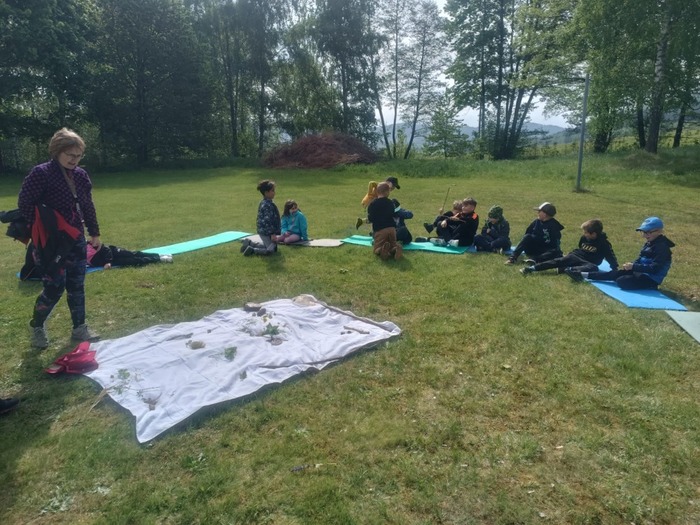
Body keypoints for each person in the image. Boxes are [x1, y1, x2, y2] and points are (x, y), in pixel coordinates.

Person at [18, 128, 102, 349]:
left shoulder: (81, 176)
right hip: (49, 243)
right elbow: (25, 203)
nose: (74, 160)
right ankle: (37, 326)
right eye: (70, 155)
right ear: (57, 151)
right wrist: (43, 227)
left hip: (75, 239)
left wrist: (94, 232)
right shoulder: (41, 173)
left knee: (77, 285)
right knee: (54, 287)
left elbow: (87, 205)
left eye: (78, 156)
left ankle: (79, 327)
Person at [567, 216, 675, 290]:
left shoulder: (662, 248)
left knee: (621, 281)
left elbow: (655, 268)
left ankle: (650, 287)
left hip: (651, 279)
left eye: (648, 232)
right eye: (643, 232)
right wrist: (632, 265)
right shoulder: (650, 243)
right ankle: (581, 274)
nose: (645, 235)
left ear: (659, 231)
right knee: (615, 273)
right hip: (640, 272)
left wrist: (634, 266)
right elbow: (640, 258)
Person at [521, 219, 618, 276]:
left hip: (588, 263)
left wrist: (614, 268)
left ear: (594, 234)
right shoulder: (584, 238)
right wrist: (570, 255)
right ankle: (532, 268)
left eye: (586, 232)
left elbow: (610, 256)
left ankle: (569, 270)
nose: (584, 234)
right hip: (575, 256)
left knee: (594, 268)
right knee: (557, 261)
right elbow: (580, 247)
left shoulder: (604, 244)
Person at [241, 179, 281, 256]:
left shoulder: (265, 202)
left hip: (264, 231)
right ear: (266, 192)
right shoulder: (267, 205)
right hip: (266, 232)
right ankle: (252, 250)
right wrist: (272, 234)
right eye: (272, 190)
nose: (274, 192)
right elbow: (268, 221)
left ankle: (250, 243)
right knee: (271, 250)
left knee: (273, 247)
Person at [367, 182, 403, 260]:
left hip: (380, 230)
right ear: (387, 192)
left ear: (377, 192)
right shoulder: (390, 203)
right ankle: (395, 249)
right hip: (392, 229)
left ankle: (381, 250)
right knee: (393, 244)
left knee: (377, 248)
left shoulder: (373, 204)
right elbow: (392, 213)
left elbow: (371, 218)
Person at [87, 243, 173, 269]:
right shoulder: (80, 256)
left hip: (113, 253)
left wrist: (108, 262)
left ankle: (159, 256)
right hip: (113, 261)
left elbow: (106, 248)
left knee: (134, 254)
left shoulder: (89, 244)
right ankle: (160, 259)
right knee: (134, 261)